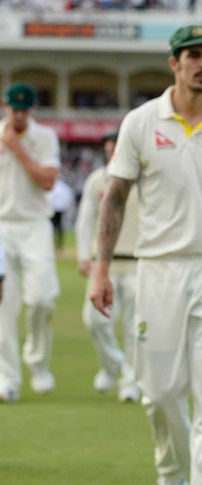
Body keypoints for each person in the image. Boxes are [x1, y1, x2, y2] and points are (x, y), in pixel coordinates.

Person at [88, 25, 202, 485]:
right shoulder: (141, 123)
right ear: (175, 63)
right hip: (158, 269)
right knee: (159, 393)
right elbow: (115, 198)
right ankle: (172, 474)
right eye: (194, 55)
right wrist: (100, 270)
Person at [0, 82, 61, 403]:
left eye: (25, 109)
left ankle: (37, 362)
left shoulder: (44, 137)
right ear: (5, 106)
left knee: (41, 299)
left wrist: (17, 148)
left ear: (33, 109)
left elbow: (48, 181)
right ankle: (7, 379)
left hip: (35, 225)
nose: (19, 115)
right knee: (3, 306)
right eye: (14, 109)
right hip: (1, 228)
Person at [75, 130, 141, 403]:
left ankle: (130, 382)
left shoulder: (142, 179)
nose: (113, 152)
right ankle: (112, 363)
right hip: (106, 264)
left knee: (135, 329)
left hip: (137, 263)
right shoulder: (96, 180)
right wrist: (83, 255)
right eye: (109, 148)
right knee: (94, 321)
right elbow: (85, 220)